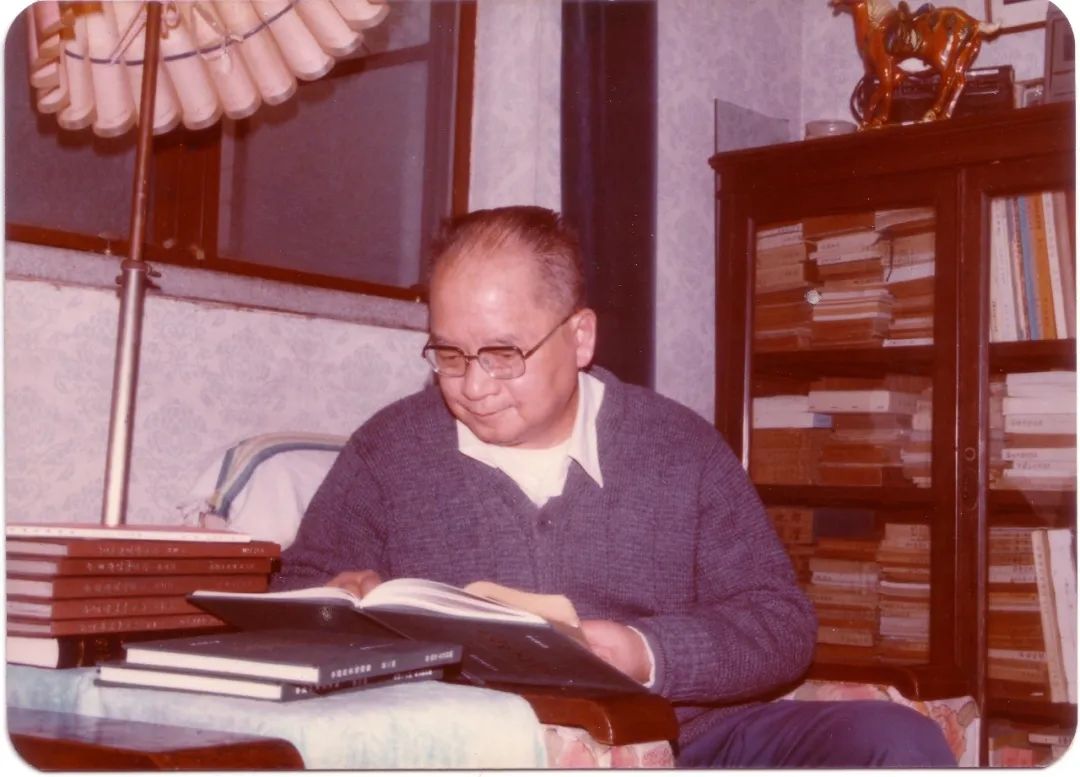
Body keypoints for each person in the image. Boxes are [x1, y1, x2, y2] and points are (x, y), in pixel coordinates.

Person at [272, 205, 957, 768]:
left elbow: (781, 624)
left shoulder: (679, 447)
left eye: (503, 354)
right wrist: (336, 599)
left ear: (579, 338)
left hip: (694, 741)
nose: (473, 386)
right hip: (484, 748)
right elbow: (295, 591)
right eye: (449, 354)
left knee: (894, 742)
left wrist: (647, 651)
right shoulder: (389, 449)